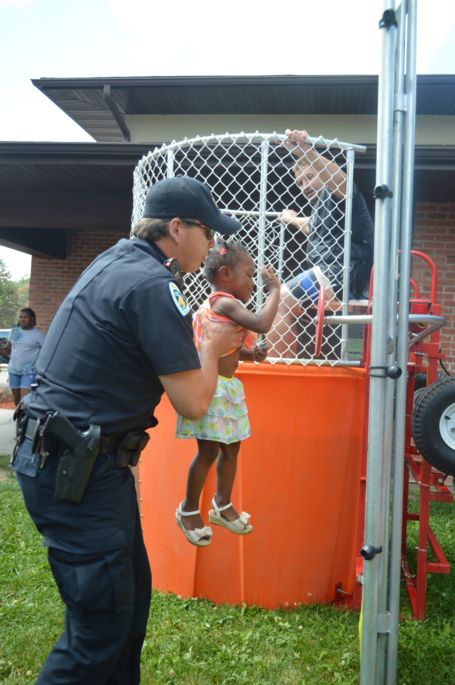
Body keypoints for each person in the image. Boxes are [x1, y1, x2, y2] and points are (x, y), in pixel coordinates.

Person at [10, 175, 245, 685]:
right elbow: (194, 401)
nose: (213, 246)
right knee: (99, 632)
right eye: (208, 233)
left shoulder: (116, 261)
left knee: (129, 605)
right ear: (177, 228)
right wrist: (212, 345)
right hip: (78, 472)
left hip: (78, 462)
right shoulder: (152, 286)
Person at [175, 240, 280, 546]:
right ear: (225, 274)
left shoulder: (227, 309)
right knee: (208, 450)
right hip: (213, 387)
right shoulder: (223, 302)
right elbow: (262, 323)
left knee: (231, 448)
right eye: (248, 275)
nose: (252, 282)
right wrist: (274, 290)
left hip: (228, 388)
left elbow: (229, 351)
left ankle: (222, 504)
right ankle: (188, 510)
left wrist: (250, 356)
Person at [268, 129, 374, 358]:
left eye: (309, 177)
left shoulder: (340, 195)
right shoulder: (320, 208)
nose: (304, 186)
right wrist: (291, 219)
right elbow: (310, 225)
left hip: (343, 271)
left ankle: (277, 367)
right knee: (284, 300)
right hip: (330, 273)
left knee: (281, 299)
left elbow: (341, 181)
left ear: (322, 173)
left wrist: (307, 152)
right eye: (299, 182)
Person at [0, 308, 45, 405]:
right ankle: (19, 420)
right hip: (13, 370)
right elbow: (8, 349)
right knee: (16, 399)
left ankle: (25, 418)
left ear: (32, 319)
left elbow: (44, 353)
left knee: (24, 400)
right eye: (20, 317)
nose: (22, 319)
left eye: (25, 317)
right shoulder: (14, 332)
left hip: (29, 371)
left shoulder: (39, 335)